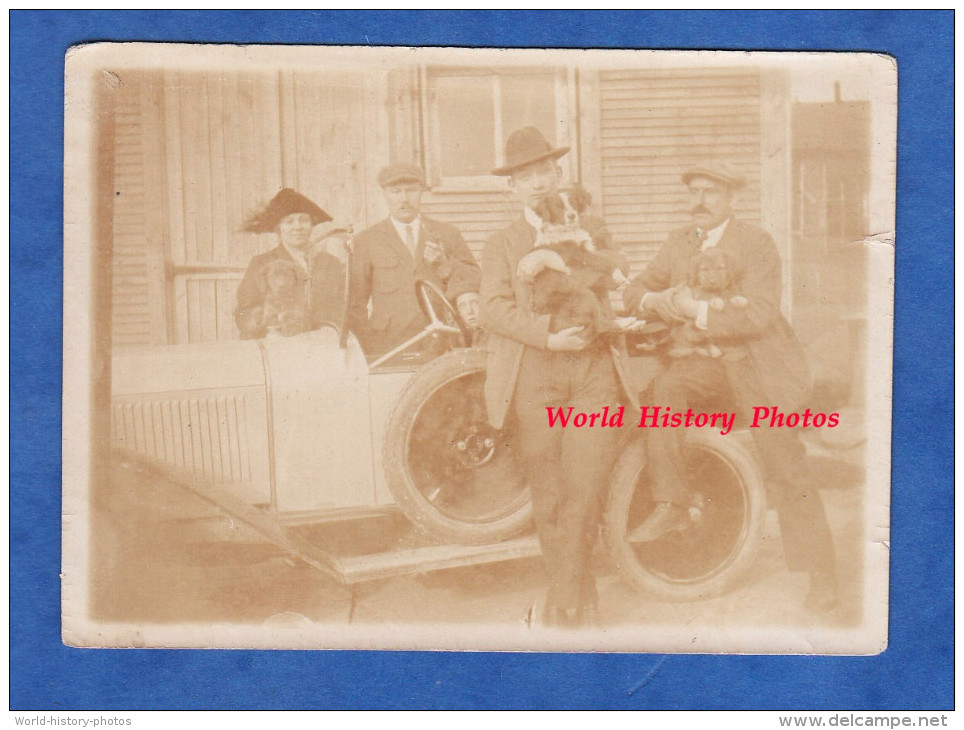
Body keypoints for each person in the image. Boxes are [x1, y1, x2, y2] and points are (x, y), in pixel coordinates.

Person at [623, 161, 838, 612]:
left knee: (784, 462)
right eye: (694, 191)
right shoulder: (680, 242)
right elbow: (637, 287)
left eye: (711, 192)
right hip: (706, 366)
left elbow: (758, 314)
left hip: (758, 365)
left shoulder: (756, 243)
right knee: (664, 391)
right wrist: (653, 299)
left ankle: (822, 571)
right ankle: (672, 501)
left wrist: (695, 312)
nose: (699, 201)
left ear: (731, 199)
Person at [480, 127, 639, 628]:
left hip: (594, 370)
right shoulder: (502, 243)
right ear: (511, 188)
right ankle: (575, 598)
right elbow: (493, 309)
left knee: (586, 484)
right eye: (523, 177)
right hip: (536, 375)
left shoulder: (591, 225)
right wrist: (548, 335)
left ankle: (565, 599)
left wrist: (580, 257)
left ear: (558, 175)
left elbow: (618, 270)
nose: (535, 184)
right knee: (550, 492)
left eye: (542, 172)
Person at [347, 162, 480, 358]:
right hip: (389, 346)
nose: (404, 199)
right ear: (384, 194)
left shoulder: (447, 234)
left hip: (443, 344)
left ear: (421, 192)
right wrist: (368, 346)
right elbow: (355, 303)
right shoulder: (367, 241)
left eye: (411, 190)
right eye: (396, 191)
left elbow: (475, 280)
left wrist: (447, 265)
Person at [234, 188, 347, 339]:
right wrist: (267, 327)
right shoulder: (262, 263)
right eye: (289, 221)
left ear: (311, 225)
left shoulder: (330, 263)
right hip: (279, 346)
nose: (297, 227)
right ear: (278, 228)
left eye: (303, 220)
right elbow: (243, 311)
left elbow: (345, 308)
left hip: (324, 344)